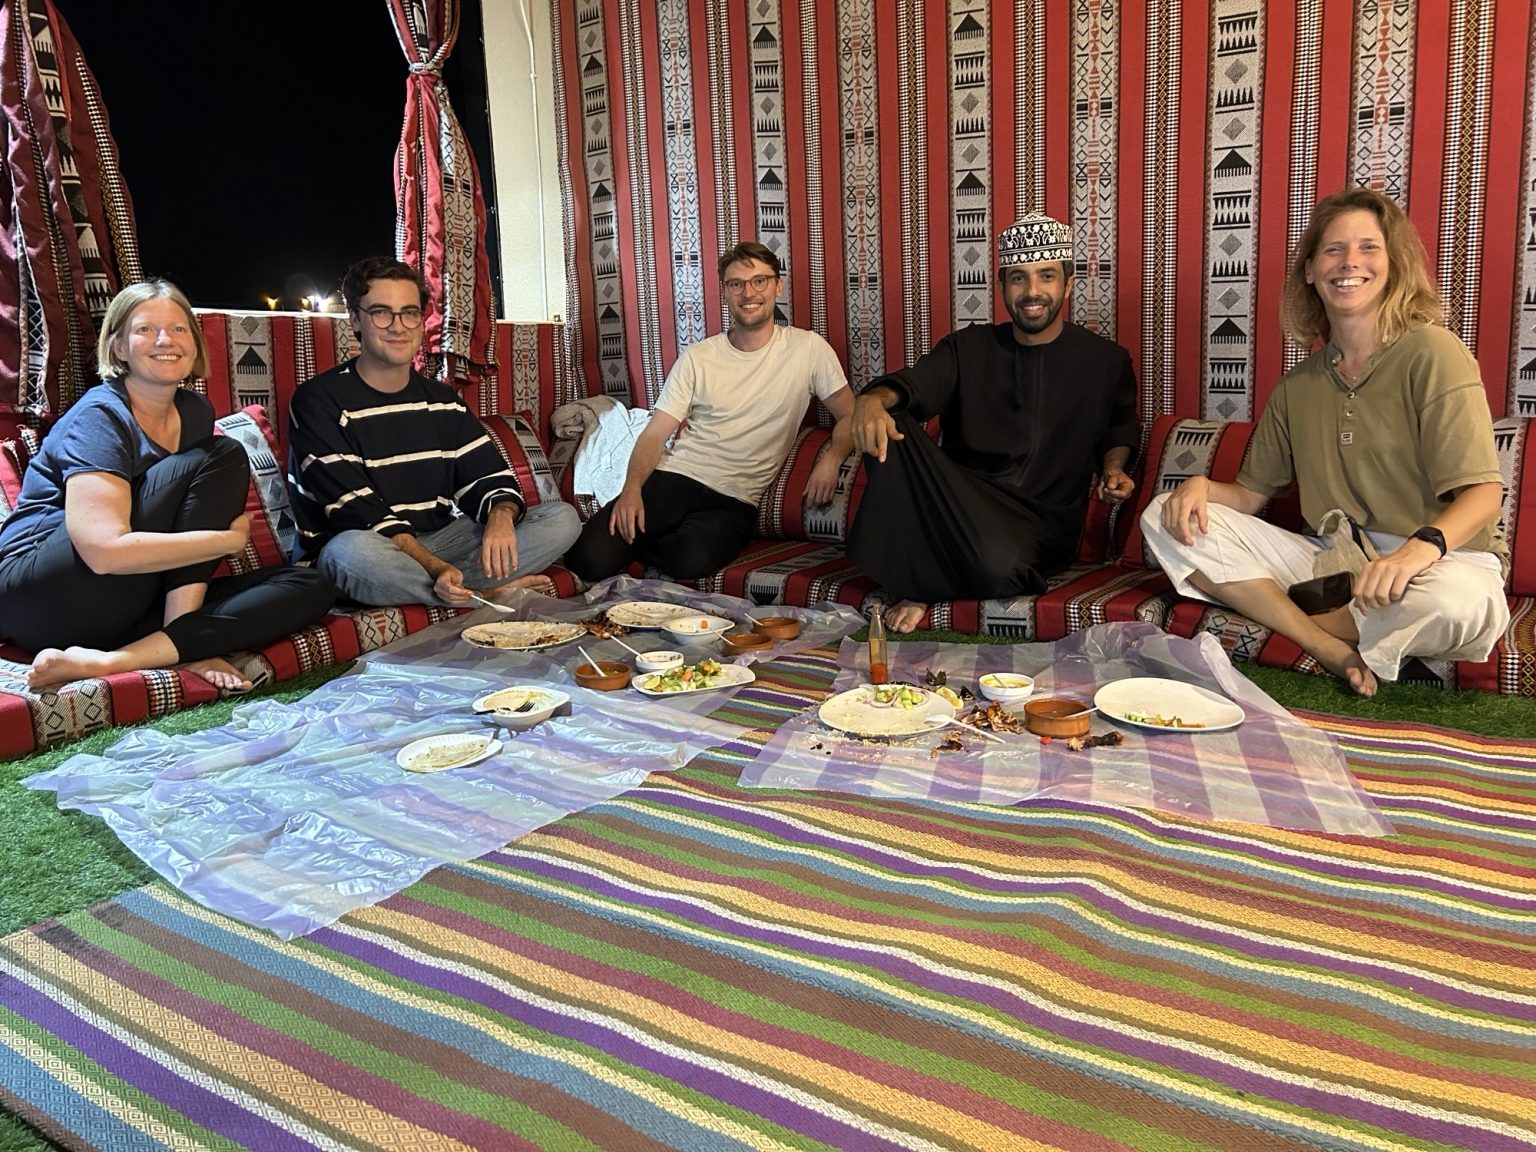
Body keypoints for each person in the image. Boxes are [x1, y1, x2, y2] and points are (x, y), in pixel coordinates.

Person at [1140, 188, 1509, 696]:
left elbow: (1485, 495)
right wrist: (1201, 486)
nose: (1349, 262)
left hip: (1443, 560)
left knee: (1456, 606)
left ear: (1394, 265)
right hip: (1333, 563)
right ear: (1311, 271)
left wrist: (1412, 554)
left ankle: (1279, 606)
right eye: (1333, 249)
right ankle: (1326, 645)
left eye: (1368, 247)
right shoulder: (1297, 386)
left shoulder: (1434, 352)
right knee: (1163, 515)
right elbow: (1248, 496)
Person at [0, 280, 336, 691]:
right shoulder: (100, 416)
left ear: (194, 344)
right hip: (44, 594)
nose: (166, 340)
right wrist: (225, 542)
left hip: (128, 600)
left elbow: (192, 519)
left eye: (179, 329)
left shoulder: (195, 412)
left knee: (310, 586)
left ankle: (128, 656)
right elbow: (102, 552)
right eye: (145, 329)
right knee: (223, 454)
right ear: (119, 348)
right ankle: (185, 642)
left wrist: (188, 622)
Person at [843, 213, 1140, 630]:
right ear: (1001, 287)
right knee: (890, 420)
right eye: (1018, 278)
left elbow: (1120, 426)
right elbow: (916, 384)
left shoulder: (1105, 361)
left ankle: (924, 581)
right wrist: (872, 400)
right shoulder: (967, 347)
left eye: (1046, 276)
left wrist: (1113, 468)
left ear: (1068, 284)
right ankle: (935, 570)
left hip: (1040, 523)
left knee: (997, 567)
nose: (1032, 291)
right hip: (961, 504)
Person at [286, 256, 581, 607]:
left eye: (409, 313)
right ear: (355, 319)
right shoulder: (318, 401)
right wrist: (436, 567)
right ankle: (479, 595)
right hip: (365, 549)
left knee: (561, 519)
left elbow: (488, 477)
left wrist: (500, 517)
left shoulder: (443, 402)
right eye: (381, 313)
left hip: (438, 542)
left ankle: (442, 590)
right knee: (350, 552)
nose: (398, 327)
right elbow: (357, 511)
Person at [565, 241, 854, 580]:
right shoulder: (698, 358)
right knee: (587, 558)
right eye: (736, 284)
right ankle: (636, 549)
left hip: (734, 498)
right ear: (725, 292)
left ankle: (641, 552)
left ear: (778, 286)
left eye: (759, 281)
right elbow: (656, 433)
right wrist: (631, 489)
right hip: (675, 477)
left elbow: (851, 415)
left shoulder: (809, 349)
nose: (749, 292)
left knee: (690, 562)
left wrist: (832, 459)